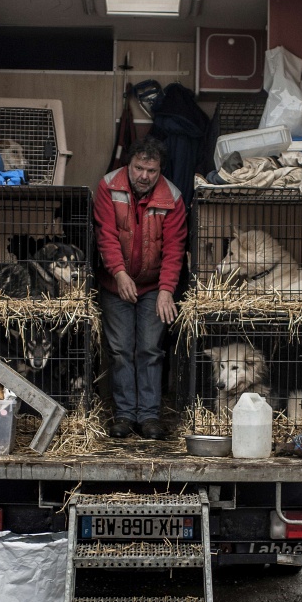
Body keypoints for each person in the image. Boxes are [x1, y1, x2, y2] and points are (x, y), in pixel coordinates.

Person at [93, 136, 186, 440]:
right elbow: (106, 235)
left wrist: (166, 289)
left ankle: (148, 417)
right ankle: (123, 415)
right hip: (115, 283)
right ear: (128, 164)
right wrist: (119, 274)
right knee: (120, 350)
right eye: (138, 168)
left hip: (152, 287)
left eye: (151, 170)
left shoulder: (172, 196)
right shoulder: (108, 186)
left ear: (160, 170)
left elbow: (175, 248)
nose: (144, 175)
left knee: (150, 349)